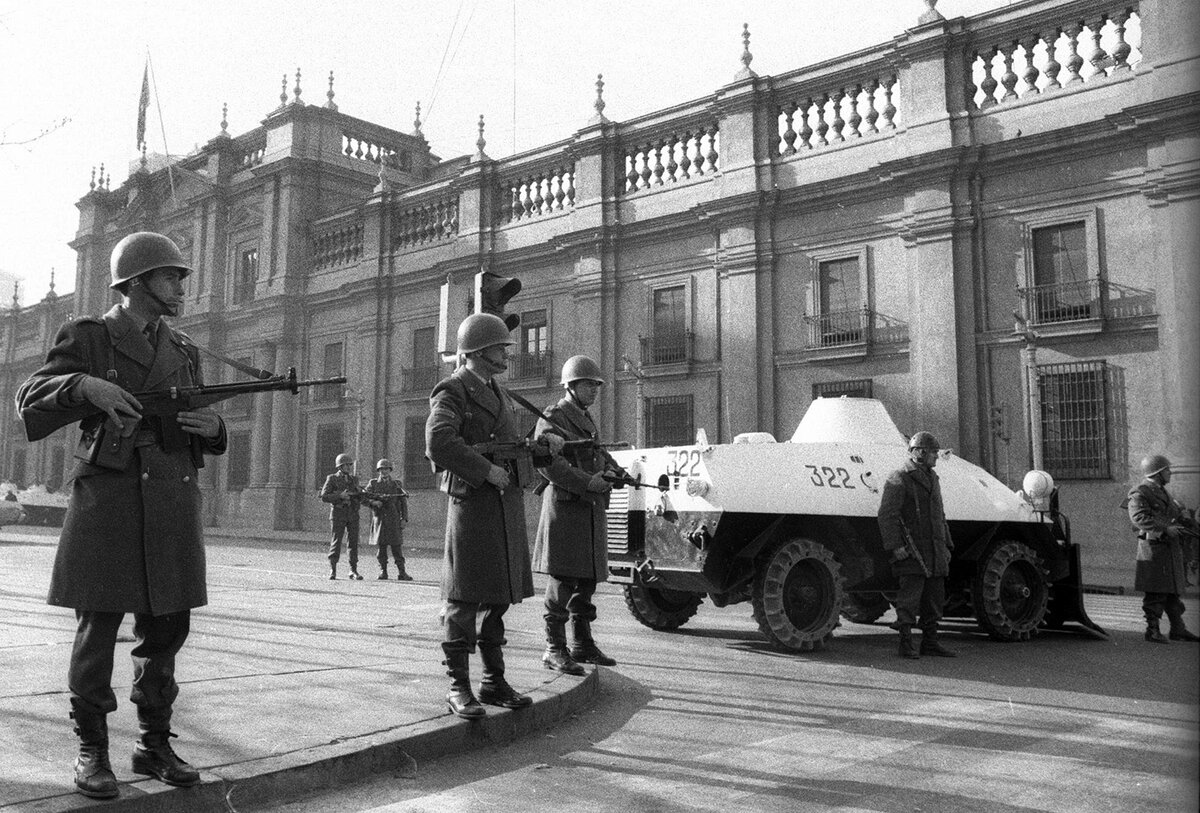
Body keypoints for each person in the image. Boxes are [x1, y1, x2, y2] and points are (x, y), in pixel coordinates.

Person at [16, 231, 227, 799]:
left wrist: (215, 430)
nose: (180, 286)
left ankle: (152, 744)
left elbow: (195, 417)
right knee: (98, 628)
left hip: (171, 501)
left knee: (166, 629)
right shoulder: (90, 337)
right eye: (170, 277)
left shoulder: (182, 350)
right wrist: (85, 386)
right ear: (136, 283)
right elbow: (30, 396)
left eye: (180, 277)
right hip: (109, 501)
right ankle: (92, 751)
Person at [425, 312, 564, 719]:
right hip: (473, 505)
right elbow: (438, 441)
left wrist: (542, 448)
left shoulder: (498, 392)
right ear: (481, 351)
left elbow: (507, 444)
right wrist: (486, 470)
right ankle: (458, 687)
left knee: (497, 599)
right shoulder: (453, 389)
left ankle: (493, 681)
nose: (509, 352)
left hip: (502, 507)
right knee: (464, 600)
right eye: (502, 347)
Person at [533, 355, 618, 676]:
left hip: (587, 508)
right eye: (588, 385)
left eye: (596, 386)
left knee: (586, 581)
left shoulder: (583, 416)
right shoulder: (554, 416)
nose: (594, 391)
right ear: (570, 386)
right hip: (567, 508)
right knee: (563, 580)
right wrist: (589, 482)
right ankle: (554, 648)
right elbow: (549, 464)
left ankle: (582, 643)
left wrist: (614, 471)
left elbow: (596, 453)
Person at [877, 430, 956, 659]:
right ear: (920, 453)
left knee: (934, 600)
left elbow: (940, 516)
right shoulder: (900, 476)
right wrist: (895, 546)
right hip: (913, 551)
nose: (936, 457)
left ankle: (930, 642)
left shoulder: (933, 478)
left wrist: (947, 546)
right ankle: (905, 643)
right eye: (933, 453)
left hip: (934, 550)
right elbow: (887, 515)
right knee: (909, 600)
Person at [1127, 454, 1200, 644]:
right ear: (1158, 473)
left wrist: (1185, 519)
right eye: (1167, 470)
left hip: (1168, 550)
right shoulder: (1140, 492)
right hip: (1154, 549)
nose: (1170, 473)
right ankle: (1152, 630)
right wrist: (1165, 529)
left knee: (1172, 592)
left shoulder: (1163, 492)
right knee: (1156, 592)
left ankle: (1178, 629)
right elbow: (1138, 518)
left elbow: (1173, 515)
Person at [364, 458, 412, 580]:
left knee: (397, 547)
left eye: (386, 469)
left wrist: (403, 519)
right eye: (381, 469)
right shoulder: (373, 483)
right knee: (382, 548)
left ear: (390, 470)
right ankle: (383, 571)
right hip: (380, 519)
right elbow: (363, 498)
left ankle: (402, 572)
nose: (384, 472)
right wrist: (374, 502)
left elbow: (402, 503)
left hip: (393, 518)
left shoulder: (396, 484)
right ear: (378, 471)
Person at [319, 453, 363, 580]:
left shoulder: (354, 480)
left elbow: (359, 496)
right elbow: (324, 496)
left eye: (350, 465)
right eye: (345, 465)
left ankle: (353, 570)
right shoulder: (332, 478)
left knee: (353, 542)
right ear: (339, 466)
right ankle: (333, 570)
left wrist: (360, 494)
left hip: (352, 514)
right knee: (336, 541)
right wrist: (340, 496)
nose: (348, 467)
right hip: (338, 513)